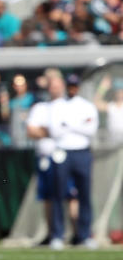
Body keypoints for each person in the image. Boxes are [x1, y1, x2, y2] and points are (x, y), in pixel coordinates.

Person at [27, 73, 98, 249]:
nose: (72, 89)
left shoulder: (86, 105)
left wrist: (70, 126)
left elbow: (90, 129)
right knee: (57, 194)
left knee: (84, 195)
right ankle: (57, 234)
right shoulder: (57, 106)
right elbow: (56, 130)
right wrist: (78, 125)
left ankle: (84, 234)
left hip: (81, 151)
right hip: (62, 152)